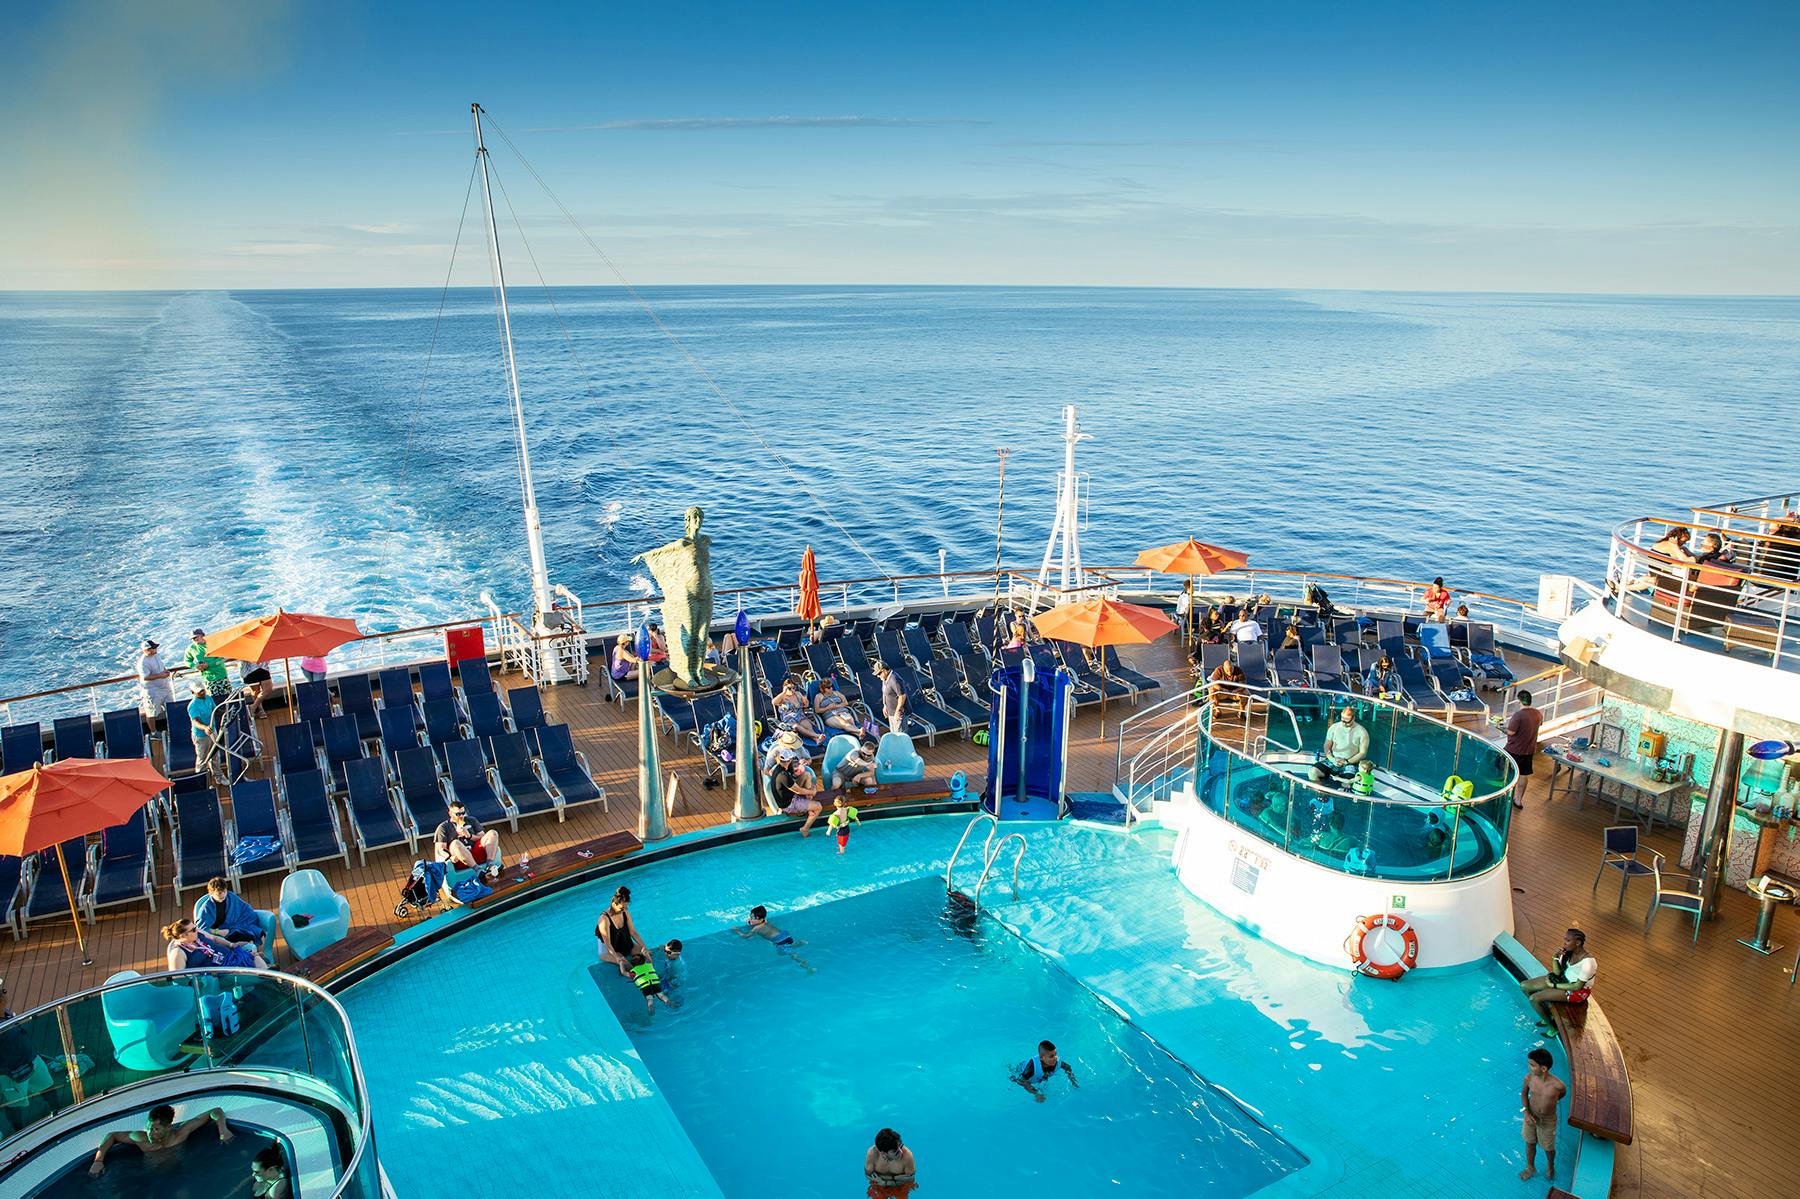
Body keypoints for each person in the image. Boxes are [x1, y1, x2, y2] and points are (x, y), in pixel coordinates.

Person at [90, 1103, 232, 1176]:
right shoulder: (141, 1139)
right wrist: (98, 1161)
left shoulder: (181, 1134)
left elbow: (216, 1111)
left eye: (156, 1129)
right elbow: (112, 1135)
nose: (150, 1133)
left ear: (168, 1127)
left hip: (178, 1172)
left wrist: (223, 1131)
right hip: (148, 1177)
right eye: (148, 1127)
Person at [1520, 928, 1597, 1030]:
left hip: (1577, 991)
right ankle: (1547, 1015)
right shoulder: (1568, 952)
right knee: (1524, 985)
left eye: (1568, 940)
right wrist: (1555, 957)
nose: (1564, 943)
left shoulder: (1588, 963)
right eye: (1564, 939)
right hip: (1563, 980)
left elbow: (1577, 986)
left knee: (1534, 999)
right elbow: (1557, 973)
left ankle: (1552, 1028)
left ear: (1578, 942)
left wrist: (1553, 985)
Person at [1518, 1047, 1567, 1183]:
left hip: (1547, 1120)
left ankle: (1550, 1166)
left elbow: (1561, 1095)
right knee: (1529, 1142)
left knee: (1548, 1148)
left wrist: (1547, 1106)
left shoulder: (1558, 1086)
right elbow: (1524, 1094)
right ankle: (1530, 1167)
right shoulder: (1529, 1078)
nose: (1529, 1067)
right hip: (1530, 1116)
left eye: (1532, 1065)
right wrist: (1526, 1112)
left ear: (1543, 1068)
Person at [164, 917, 265, 972]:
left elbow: (215, 939)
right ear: (183, 936)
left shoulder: (198, 934)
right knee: (253, 961)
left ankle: (268, 975)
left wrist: (231, 945)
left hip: (229, 957)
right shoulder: (178, 953)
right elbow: (178, 978)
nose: (196, 930)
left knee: (254, 956)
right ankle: (266, 977)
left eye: (195, 927)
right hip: (219, 972)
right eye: (193, 930)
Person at [434, 801, 502, 882]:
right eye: (458, 814)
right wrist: (449, 857)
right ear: (450, 813)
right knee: (455, 843)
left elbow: (482, 837)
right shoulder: (443, 827)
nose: (461, 816)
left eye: (463, 813)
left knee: (493, 833)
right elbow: (441, 849)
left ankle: (490, 866)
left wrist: (469, 836)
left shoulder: (471, 820)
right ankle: (478, 871)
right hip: (460, 858)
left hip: (475, 851)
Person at [194, 877, 265, 947]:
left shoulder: (231, 897)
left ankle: (263, 953)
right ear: (211, 893)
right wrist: (218, 932)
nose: (223, 895)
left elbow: (245, 909)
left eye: (224, 891)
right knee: (246, 940)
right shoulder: (206, 909)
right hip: (220, 932)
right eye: (219, 893)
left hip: (235, 926)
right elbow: (201, 930)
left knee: (260, 933)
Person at [595, 886, 649, 977]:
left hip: (624, 943)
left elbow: (633, 933)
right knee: (627, 965)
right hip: (609, 949)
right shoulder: (604, 919)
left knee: (646, 955)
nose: (624, 910)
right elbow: (608, 944)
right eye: (622, 908)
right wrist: (617, 957)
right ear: (614, 903)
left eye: (626, 907)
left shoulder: (625, 912)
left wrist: (644, 947)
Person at [1504, 690, 1545, 811]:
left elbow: (1511, 732)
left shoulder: (1518, 715)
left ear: (1519, 701)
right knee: (1523, 774)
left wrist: (1500, 728)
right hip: (1529, 749)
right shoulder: (1537, 713)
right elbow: (1540, 724)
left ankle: (1504, 796)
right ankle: (1518, 800)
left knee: (1506, 773)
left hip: (1514, 749)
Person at [769, 748, 823, 835]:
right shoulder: (783, 775)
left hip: (790, 794)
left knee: (806, 775)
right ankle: (805, 828)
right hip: (789, 804)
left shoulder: (783, 767)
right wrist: (812, 792)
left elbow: (795, 777)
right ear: (789, 760)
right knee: (818, 807)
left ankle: (808, 806)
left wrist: (801, 766)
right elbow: (798, 791)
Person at [1013, 1039, 1078, 1102]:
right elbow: (1021, 1081)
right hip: (1020, 1071)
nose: (1055, 1058)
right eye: (1051, 1056)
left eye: (1055, 1054)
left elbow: (1068, 1067)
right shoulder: (1032, 1066)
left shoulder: (1057, 1062)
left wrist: (1072, 1080)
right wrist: (1036, 1093)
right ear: (1041, 1057)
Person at [865, 1127, 918, 1198]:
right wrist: (897, 1178)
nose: (901, 1152)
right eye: (895, 1151)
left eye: (900, 1146)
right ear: (883, 1153)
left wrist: (885, 1182)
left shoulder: (907, 1156)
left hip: (901, 1187)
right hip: (879, 1186)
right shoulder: (872, 1154)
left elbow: (910, 1180)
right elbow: (869, 1175)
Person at [184, 629, 231, 700]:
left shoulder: (213, 643)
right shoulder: (191, 648)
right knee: (213, 700)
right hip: (207, 678)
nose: (194, 639)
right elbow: (187, 661)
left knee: (227, 697)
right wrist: (195, 666)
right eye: (192, 638)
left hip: (221, 675)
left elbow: (223, 657)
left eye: (196, 637)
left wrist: (209, 665)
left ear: (202, 635)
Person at [1322, 705, 1369, 770]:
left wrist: (1347, 762)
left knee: (1347, 776)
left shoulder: (1362, 732)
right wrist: (1332, 759)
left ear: (1353, 718)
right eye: (1342, 720)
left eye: (1347, 722)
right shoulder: (1334, 727)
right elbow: (1326, 745)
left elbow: (1363, 753)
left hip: (1350, 763)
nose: (1344, 724)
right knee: (1313, 772)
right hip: (1333, 760)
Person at [186, 682, 218, 776]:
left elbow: (215, 710)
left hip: (213, 732)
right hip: (201, 736)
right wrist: (205, 728)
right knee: (202, 759)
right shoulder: (193, 706)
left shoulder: (209, 698)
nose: (202, 692)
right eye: (199, 691)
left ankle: (218, 775)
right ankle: (201, 778)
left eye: (203, 690)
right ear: (193, 692)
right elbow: (196, 721)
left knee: (215, 756)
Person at [137, 638, 173, 718]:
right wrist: (160, 675)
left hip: (165, 687)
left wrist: (165, 671)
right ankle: (152, 727)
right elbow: (145, 677)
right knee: (152, 713)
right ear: (147, 650)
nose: (156, 649)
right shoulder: (142, 662)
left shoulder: (156, 655)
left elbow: (161, 666)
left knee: (171, 708)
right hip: (153, 691)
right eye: (153, 648)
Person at [874, 661, 909, 735]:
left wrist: (898, 711)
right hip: (891, 712)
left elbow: (902, 696)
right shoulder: (885, 678)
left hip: (898, 713)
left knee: (900, 736)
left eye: (879, 674)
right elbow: (885, 692)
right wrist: (885, 705)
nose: (878, 676)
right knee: (893, 735)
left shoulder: (895, 680)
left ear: (884, 671)